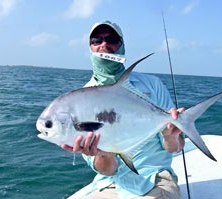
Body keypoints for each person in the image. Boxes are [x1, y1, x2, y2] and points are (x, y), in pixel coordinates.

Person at [62, 20, 185, 199]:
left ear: (122, 45)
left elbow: (174, 148)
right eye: (97, 40)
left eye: (112, 39)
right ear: (90, 47)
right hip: (110, 185)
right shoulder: (80, 100)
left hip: (155, 180)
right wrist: (103, 155)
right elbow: (109, 170)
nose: (104, 44)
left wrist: (170, 135)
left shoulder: (152, 85)